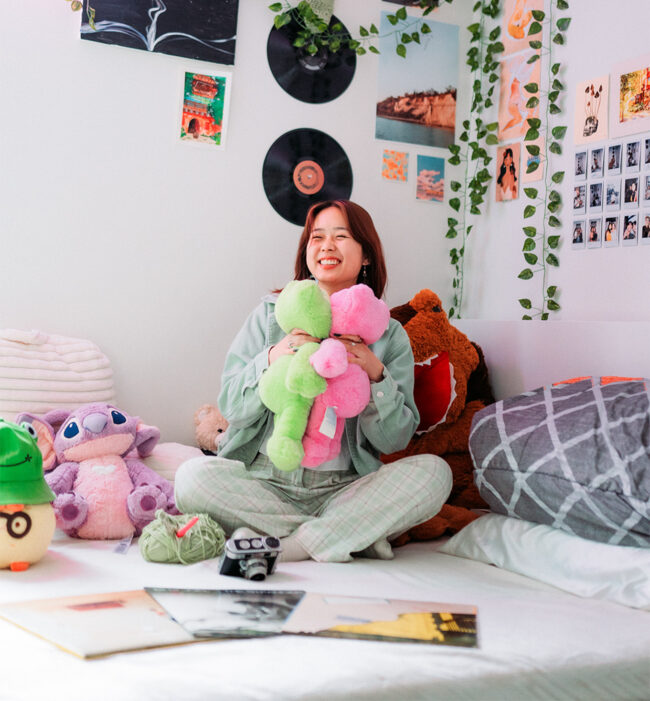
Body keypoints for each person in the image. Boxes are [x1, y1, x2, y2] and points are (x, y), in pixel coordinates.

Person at [174, 199, 452, 563]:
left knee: (435, 474)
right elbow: (231, 406)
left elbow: (395, 438)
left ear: (366, 255)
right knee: (191, 478)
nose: (326, 246)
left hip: (347, 488)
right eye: (316, 237)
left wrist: (375, 374)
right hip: (265, 481)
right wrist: (273, 356)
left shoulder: (388, 334)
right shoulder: (270, 317)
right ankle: (345, 533)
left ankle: (289, 542)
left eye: (341, 236)